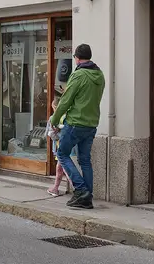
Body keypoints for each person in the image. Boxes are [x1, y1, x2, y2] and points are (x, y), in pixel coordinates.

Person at [49, 44, 105, 209]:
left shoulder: (78, 75)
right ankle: (87, 198)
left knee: (62, 154)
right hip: (92, 123)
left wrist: (55, 120)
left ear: (77, 58)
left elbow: (66, 100)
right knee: (85, 160)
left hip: (75, 123)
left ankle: (81, 190)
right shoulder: (100, 75)